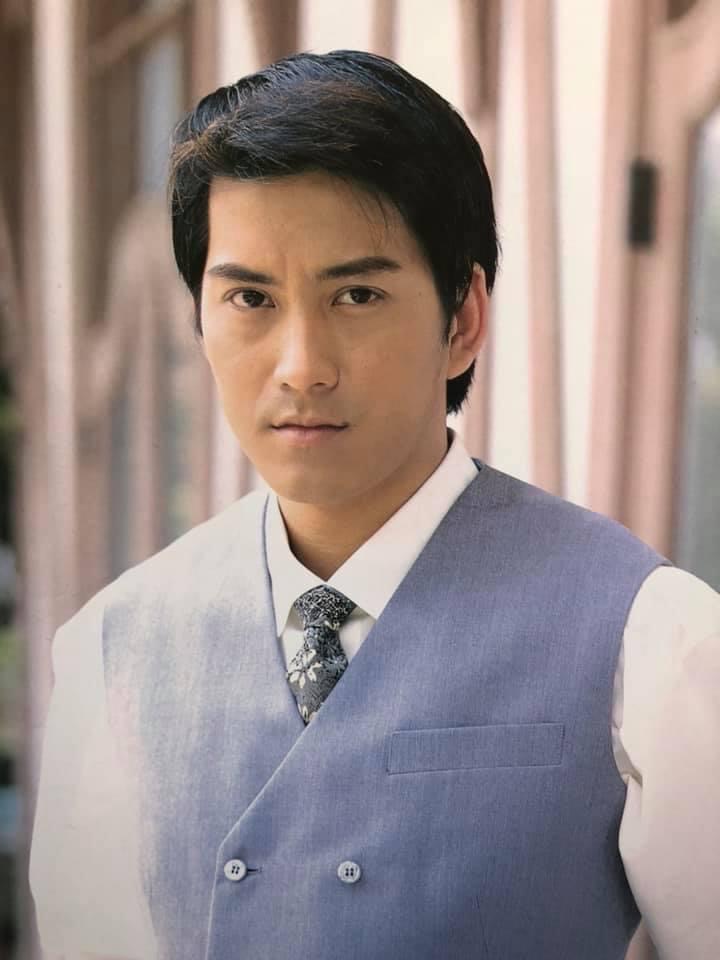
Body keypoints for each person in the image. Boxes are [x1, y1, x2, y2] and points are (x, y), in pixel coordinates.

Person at [29, 49, 719, 960]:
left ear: (462, 319)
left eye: (357, 294)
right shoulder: (112, 648)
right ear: (199, 320)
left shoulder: (649, 632)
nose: (301, 367)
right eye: (250, 298)